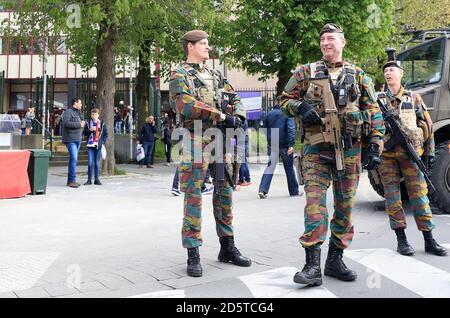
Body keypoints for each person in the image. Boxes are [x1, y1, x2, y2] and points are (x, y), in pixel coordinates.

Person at [280, 23, 385, 286]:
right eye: (323, 39)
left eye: (331, 38)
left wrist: (375, 145)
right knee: (314, 206)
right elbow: (283, 100)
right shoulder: (306, 72)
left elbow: (373, 112)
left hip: (350, 151)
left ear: (342, 42)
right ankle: (311, 265)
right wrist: (300, 106)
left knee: (345, 206)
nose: (326, 43)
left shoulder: (360, 76)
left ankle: (335, 259)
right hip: (316, 150)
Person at [169, 29, 251, 277]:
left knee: (224, 191)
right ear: (190, 46)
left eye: (207, 43)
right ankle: (193, 252)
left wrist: (238, 115)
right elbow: (185, 104)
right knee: (194, 196)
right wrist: (221, 116)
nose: (207, 47)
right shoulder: (179, 74)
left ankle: (227, 246)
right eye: (203, 44)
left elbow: (235, 97)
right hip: (193, 139)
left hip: (220, 141)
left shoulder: (215, 75)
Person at [377, 60, 447, 257]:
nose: (388, 73)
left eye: (392, 70)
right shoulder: (377, 100)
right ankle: (402, 240)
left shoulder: (413, 98)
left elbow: (427, 125)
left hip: (410, 154)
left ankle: (429, 239)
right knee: (392, 197)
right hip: (387, 157)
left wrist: (430, 153)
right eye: (386, 71)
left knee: (419, 196)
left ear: (401, 74)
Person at [258, 98, 299, 198]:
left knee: (270, 167)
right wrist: (291, 144)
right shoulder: (287, 113)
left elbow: (264, 130)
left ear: (275, 103)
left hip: (273, 144)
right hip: (285, 145)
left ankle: (263, 190)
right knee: (289, 168)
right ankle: (294, 191)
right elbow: (291, 129)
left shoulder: (269, 114)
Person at [61, 98, 85, 188]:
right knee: (74, 158)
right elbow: (66, 123)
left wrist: (82, 124)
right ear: (75, 103)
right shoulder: (68, 112)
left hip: (77, 139)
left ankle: (72, 180)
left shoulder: (78, 113)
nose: (81, 104)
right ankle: (71, 181)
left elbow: (80, 124)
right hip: (70, 139)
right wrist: (79, 124)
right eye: (80, 103)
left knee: (74, 160)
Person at [83, 107, 108, 185]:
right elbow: (84, 133)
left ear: (98, 115)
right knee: (90, 162)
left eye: (96, 114)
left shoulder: (102, 124)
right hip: (90, 145)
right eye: (93, 114)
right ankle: (89, 180)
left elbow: (106, 134)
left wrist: (103, 141)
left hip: (98, 145)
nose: (94, 116)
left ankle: (96, 179)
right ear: (91, 115)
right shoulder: (88, 123)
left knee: (96, 163)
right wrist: (89, 130)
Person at [238, 119, 251, 186]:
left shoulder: (241, 120)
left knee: (243, 161)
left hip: (242, 141)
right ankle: (241, 179)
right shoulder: (240, 119)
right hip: (240, 141)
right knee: (240, 160)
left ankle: (247, 179)